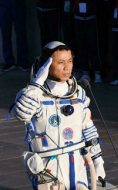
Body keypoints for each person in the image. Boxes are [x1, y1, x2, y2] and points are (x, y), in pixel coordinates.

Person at [10, 41, 106, 189]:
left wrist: (98, 161)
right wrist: (37, 83)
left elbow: (88, 128)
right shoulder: (34, 94)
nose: (67, 67)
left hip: (77, 163)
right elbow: (22, 114)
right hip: (48, 167)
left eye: (70, 61)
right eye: (60, 62)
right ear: (45, 65)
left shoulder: (78, 92)